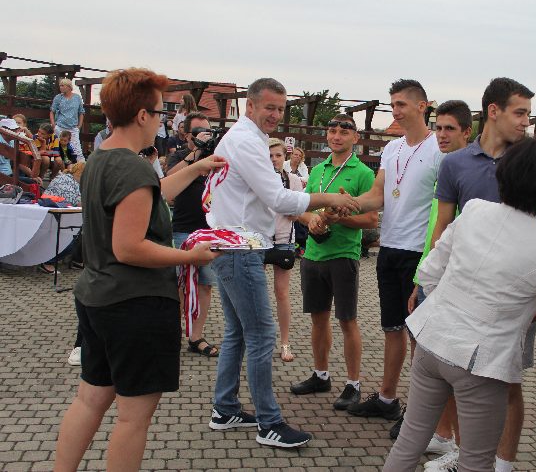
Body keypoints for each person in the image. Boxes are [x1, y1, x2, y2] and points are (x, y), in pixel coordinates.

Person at [53, 67, 224, 471]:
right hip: (135, 304)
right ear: (143, 115)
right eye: (161, 113)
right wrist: (191, 257)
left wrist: (195, 168)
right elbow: (129, 247)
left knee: (90, 399)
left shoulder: (102, 158)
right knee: (133, 418)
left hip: (97, 296)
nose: (163, 122)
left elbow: (147, 197)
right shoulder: (133, 166)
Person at [383, 136, 536, 472]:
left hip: (432, 339)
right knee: (476, 461)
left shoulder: (475, 209)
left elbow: (430, 272)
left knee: (409, 441)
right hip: (480, 362)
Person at [205, 77, 359, 448]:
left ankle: (225, 408)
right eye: (269, 107)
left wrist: (309, 213)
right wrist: (327, 200)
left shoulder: (247, 139)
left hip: (232, 244)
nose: (275, 115)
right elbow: (277, 198)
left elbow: (268, 199)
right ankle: (269, 423)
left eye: (280, 108)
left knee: (237, 332)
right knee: (261, 335)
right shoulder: (247, 141)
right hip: (240, 248)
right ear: (250, 106)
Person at [420, 78, 536, 472]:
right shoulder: (455, 163)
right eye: (519, 112)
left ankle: (502, 465)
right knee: (459, 373)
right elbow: (442, 229)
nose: (525, 121)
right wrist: (427, 282)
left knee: (508, 382)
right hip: (463, 292)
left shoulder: (530, 160)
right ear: (493, 111)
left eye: (528, 114)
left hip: (513, 293)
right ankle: (467, 454)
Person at [347, 79, 443, 425]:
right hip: (389, 249)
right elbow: (378, 194)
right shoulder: (391, 149)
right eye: (393, 105)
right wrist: (348, 204)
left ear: (422, 106)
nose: (395, 111)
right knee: (392, 328)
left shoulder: (440, 149)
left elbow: (445, 209)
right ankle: (387, 398)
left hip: (418, 253)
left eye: (401, 104)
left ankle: (417, 413)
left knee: (419, 335)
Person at [398, 100, 472, 461]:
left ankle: (461, 445)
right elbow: (435, 232)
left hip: (456, 282)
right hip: (431, 275)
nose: (441, 135)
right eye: (438, 128)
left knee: (453, 366)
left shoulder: (471, 172)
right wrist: (420, 281)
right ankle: (442, 435)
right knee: (431, 363)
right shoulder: (446, 168)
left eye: (450, 129)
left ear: (467, 132)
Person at [289, 114, 377, 410]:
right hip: (313, 255)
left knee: (347, 320)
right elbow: (301, 208)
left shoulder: (363, 173)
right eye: (332, 130)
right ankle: (321, 375)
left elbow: (371, 220)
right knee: (318, 318)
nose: (337, 136)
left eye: (344, 132)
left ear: (355, 138)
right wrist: (312, 220)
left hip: (343, 256)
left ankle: (353, 384)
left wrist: (339, 219)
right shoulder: (318, 170)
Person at [166, 112, 220, 358]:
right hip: (183, 229)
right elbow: (170, 178)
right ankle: (172, 333)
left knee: (205, 285)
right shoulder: (179, 155)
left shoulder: (215, 156)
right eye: (199, 132)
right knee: (180, 284)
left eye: (207, 131)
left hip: (209, 230)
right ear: (187, 135)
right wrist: (196, 153)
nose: (204, 136)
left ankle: (195, 336)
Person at [268, 137, 304, 362]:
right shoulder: (258, 179)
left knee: (282, 293)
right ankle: (257, 339)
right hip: (259, 240)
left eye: (278, 155)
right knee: (256, 294)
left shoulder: (293, 180)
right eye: (269, 156)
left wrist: (292, 209)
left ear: (285, 157)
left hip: (283, 240)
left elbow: (296, 213)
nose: (274, 159)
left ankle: (284, 342)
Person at [50, 78, 86, 162]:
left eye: (63, 85)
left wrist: (79, 126)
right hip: (60, 127)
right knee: (56, 148)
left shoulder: (77, 98)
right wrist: (53, 125)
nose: (61, 87)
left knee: (77, 150)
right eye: (60, 86)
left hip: (73, 128)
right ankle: (56, 166)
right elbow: (52, 111)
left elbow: (81, 112)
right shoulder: (58, 97)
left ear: (69, 87)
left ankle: (81, 167)